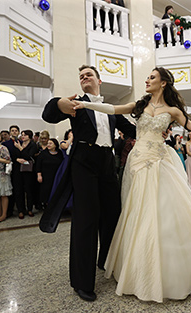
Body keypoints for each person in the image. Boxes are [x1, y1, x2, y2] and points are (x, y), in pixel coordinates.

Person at [70, 67, 191, 303]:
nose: (147, 80)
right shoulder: (140, 105)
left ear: (164, 83)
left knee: (162, 213)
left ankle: (167, 269)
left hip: (159, 162)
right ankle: (138, 265)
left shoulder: (173, 111)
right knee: (136, 213)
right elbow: (113, 110)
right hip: (137, 164)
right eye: (147, 77)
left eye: (152, 77)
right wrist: (85, 105)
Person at [41, 65, 137, 302]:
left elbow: (133, 130)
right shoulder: (76, 103)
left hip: (107, 163)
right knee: (86, 219)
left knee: (112, 215)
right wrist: (58, 103)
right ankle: (82, 282)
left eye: (88, 75)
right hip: (83, 162)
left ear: (99, 80)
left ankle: (107, 261)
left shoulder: (111, 108)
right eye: (81, 76)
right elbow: (50, 113)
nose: (84, 78)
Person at [14, 130, 38, 219]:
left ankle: (30, 209)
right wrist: (17, 159)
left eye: (25, 135)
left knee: (29, 190)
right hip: (18, 169)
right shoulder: (17, 143)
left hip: (28, 170)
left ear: (29, 136)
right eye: (22, 135)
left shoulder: (33, 145)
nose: (23, 136)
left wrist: (20, 148)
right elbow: (13, 155)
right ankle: (21, 210)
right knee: (18, 190)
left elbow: (29, 156)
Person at [36, 138, 63, 210]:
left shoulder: (59, 153)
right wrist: (39, 175)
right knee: (46, 191)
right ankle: (47, 206)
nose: (48, 145)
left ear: (55, 145)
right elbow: (38, 165)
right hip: (45, 176)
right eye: (48, 143)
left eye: (50, 143)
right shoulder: (43, 154)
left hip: (56, 176)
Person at [2, 125, 21, 217]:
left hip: (19, 168)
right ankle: (9, 210)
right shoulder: (5, 144)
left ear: (18, 132)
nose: (14, 132)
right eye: (12, 131)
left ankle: (20, 210)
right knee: (9, 190)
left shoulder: (22, 142)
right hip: (8, 168)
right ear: (10, 133)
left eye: (16, 130)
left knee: (18, 189)